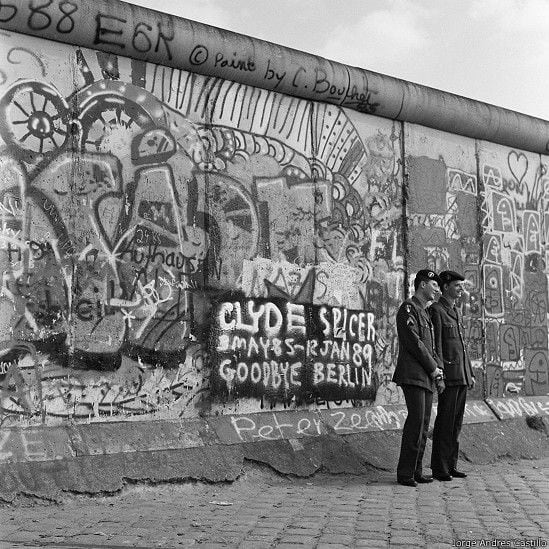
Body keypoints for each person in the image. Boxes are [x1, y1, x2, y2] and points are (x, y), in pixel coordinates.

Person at [393, 269, 444, 487]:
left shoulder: (424, 312)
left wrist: (437, 373)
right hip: (413, 374)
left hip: (425, 375)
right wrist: (434, 368)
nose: (437, 290)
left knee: (423, 424)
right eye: (434, 285)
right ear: (422, 285)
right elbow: (414, 343)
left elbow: (430, 347)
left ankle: (416, 470)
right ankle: (405, 473)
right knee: (416, 422)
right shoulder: (408, 308)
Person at [430, 270, 475, 481]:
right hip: (449, 375)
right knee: (445, 423)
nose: (461, 289)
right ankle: (440, 468)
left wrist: (470, 373)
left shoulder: (455, 311)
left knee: (456, 424)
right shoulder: (437, 311)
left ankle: (451, 465)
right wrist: (439, 375)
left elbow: (462, 347)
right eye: (457, 285)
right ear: (445, 287)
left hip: (462, 375)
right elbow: (436, 345)